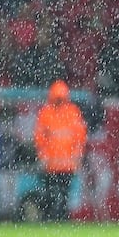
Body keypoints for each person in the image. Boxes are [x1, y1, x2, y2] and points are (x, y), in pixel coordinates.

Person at [33, 80, 88, 221]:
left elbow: (79, 136)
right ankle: (52, 217)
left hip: (65, 164)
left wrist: (77, 154)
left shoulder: (71, 112)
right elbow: (40, 138)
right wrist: (43, 156)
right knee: (52, 194)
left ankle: (60, 217)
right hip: (54, 164)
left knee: (63, 194)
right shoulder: (48, 113)